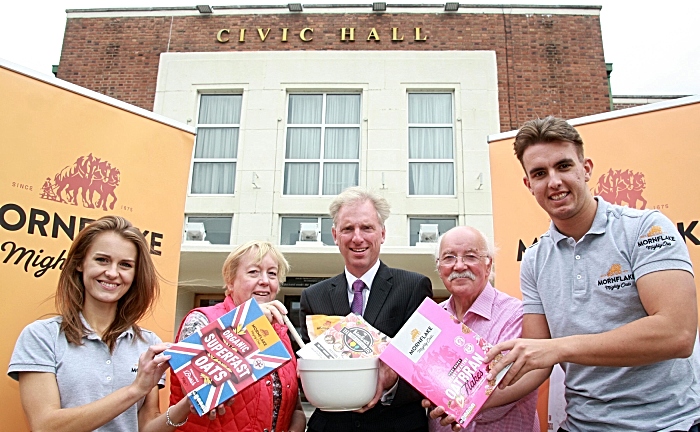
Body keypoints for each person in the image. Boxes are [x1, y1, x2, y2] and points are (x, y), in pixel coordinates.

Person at [484, 116, 700, 432]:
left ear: (586, 169)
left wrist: (558, 347)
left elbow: (677, 333)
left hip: (667, 424)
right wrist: (470, 403)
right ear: (529, 185)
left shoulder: (645, 228)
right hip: (581, 425)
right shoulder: (534, 259)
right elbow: (536, 362)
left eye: (564, 166)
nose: (554, 181)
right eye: (540, 173)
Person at [8, 215, 191, 431]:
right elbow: (46, 426)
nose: (112, 273)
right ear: (79, 263)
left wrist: (189, 403)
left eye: (125, 265)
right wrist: (135, 389)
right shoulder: (41, 336)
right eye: (102, 260)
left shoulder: (147, 342)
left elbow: (146, 427)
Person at [300, 186, 433, 432]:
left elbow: (427, 366)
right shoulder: (313, 297)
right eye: (348, 229)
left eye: (367, 228)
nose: (357, 238)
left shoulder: (413, 287)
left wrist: (391, 383)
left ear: (382, 233)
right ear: (334, 235)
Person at [170, 240, 307, 432]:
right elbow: (199, 391)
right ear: (230, 281)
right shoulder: (200, 320)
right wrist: (250, 324)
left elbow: (295, 409)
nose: (265, 281)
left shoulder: (281, 336)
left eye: (272, 274)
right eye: (253, 272)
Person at [425, 226, 538, 432]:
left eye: (470, 256)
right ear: (439, 268)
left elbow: (504, 386)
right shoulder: (430, 321)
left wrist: (456, 403)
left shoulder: (517, 315)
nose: (459, 266)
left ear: (488, 264)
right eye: (449, 258)